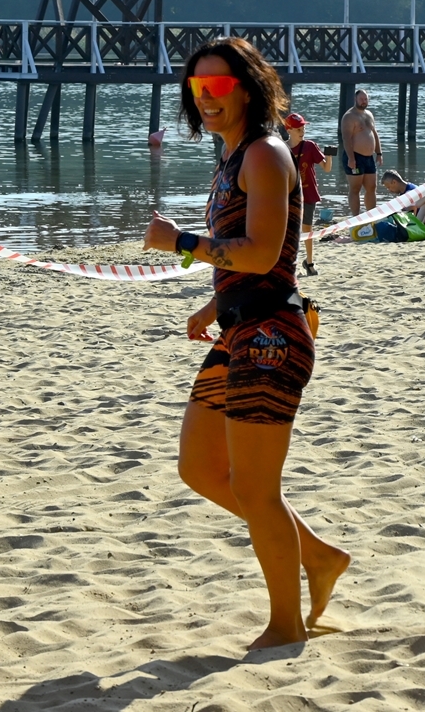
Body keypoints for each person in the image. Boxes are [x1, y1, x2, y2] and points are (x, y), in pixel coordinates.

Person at [143, 37, 349, 650]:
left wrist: (181, 243)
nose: (206, 98)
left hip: (271, 337)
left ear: (248, 89)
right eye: (197, 88)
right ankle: (318, 556)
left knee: (258, 491)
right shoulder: (232, 154)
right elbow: (262, 258)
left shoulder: (264, 153)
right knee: (200, 467)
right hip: (241, 327)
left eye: (219, 86)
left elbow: (261, 253)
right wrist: (213, 304)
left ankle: (286, 625)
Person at [284, 112, 331, 276]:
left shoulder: (310, 146)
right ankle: (289, 263)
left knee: (307, 229)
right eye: (298, 129)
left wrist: (329, 155)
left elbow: (327, 168)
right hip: (289, 196)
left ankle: (309, 263)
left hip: (308, 194)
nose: (302, 131)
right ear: (289, 130)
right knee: (289, 231)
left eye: (303, 128)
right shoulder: (282, 148)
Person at [339, 89, 382, 216]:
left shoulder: (369, 114)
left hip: (369, 157)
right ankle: (356, 217)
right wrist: (351, 158)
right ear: (355, 99)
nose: (364, 101)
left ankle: (371, 217)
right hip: (355, 156)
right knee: (355, 188)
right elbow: (346, 138)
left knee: (372, 187)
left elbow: (374, 134)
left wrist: (379, 153)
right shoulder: (349, 116)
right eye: (361, 99)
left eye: (366, 99)